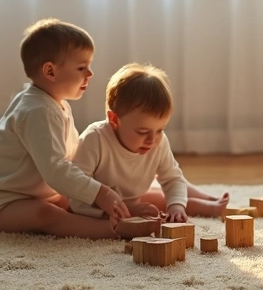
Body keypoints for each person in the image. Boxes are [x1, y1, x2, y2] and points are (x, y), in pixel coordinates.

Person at [0, 18, 131, 238]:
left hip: (33, 194)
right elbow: (56, 170)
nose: (90, 74)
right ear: (50, 72)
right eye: (82, 67)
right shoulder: (38, 110)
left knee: (75, 200)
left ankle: (127, 213)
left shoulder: (56, 103)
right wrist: (99, 192)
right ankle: (113, 231)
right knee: (46, 213)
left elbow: (71, 156)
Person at [69, 63, 228, 221]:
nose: (153, 140)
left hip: (134, 197)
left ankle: (210, 206)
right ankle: (206, 205)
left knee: (170, 202)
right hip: (98, 204)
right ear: (114, 120)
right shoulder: (95, 139)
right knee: (153, 204)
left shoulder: (158, 141)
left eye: (160, 130)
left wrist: (176, 207)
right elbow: (76, 191)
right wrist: (123, 211)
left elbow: (172, 179)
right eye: (142, 132)